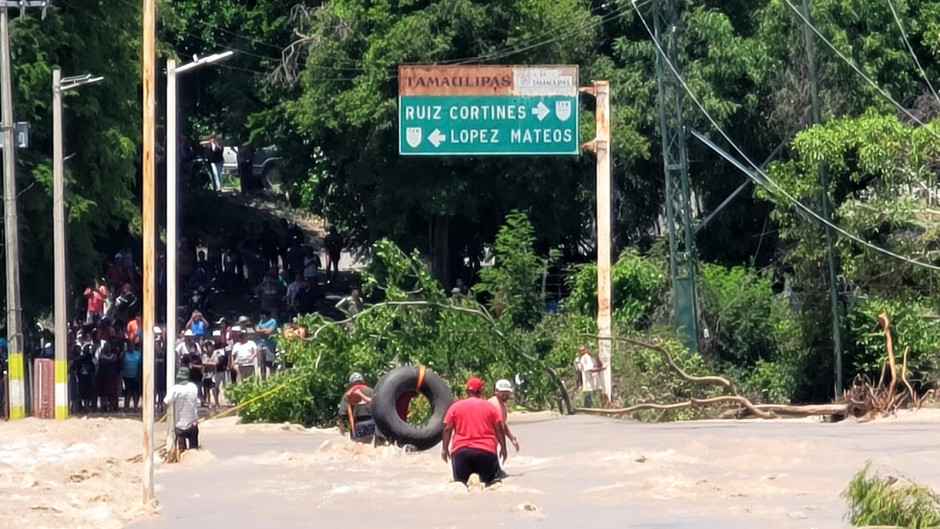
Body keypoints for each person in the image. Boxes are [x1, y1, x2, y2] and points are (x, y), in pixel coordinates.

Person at [441, 377, 508, 487]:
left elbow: (447, 429)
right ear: (481, 391)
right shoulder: (490, 407)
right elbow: (499, 429)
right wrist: (503, 448)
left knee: (460, 486)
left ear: (467, 391)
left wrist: (444, 449)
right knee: (491, 485)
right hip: (486, 452)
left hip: (461, 452)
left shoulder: (455, 407)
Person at [164, 367, 200, 452]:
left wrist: (166, 415)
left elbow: (166, 402)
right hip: (193, 424)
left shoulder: (174, 389)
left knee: (181, 452)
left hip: (179, 426)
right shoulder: (193, 387)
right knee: (194, 451)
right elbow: (196, 402)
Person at [337, 372, 376, 449]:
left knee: (359, 445)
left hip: (358, 424)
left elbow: (342, 413)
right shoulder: (372, 391)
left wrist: (342, 426)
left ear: (351, 383)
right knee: (372, 445)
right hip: (372, 422)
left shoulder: (348, 394)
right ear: (362, 381)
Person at [256, 309, 278, 381]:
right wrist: (264, 330)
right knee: (262, 364)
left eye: (261, 314)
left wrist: (261, 331)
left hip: (269, 344)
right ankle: (263, 380)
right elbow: (256, 331)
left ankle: (272, 379)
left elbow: (269, 332)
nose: (260, 316)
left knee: (271, 363)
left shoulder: (272, 321)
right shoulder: (261, 322)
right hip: (260, 344)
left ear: (264, 314)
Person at [122, 339, 142, 412]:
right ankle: (126, 407)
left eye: (132, 345)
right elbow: (121, 365)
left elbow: (140, 365)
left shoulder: (138, 354)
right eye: (129, 345)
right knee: (128, 392)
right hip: (126, 376)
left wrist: (138, 375)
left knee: (136, 392)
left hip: (135, 376)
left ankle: (135, 407)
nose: (131, 346)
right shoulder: (124, 354)